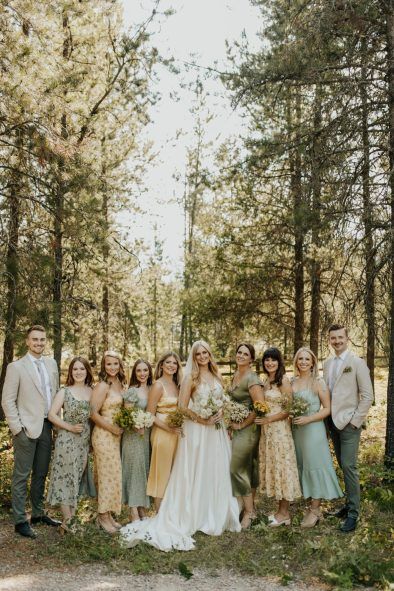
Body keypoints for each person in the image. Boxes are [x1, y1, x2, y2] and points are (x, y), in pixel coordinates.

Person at [120, 340, 241, 551]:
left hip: (216, 432)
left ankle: (214, 512)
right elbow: (183, 407)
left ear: (210, 355)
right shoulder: (189, 379)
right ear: (193, 357)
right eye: (198, 354)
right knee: (189, 470)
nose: (202, 356)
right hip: (197, 430)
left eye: (205, 353)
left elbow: (222, 400)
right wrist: (203, 419)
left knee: (214, 470)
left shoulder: (217, 375)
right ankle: (178, 513)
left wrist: (221, 412)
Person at [2, 325, 60, 538]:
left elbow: (54, 394)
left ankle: (37, 513)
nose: (39, 343)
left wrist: (57, 423)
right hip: (26, 428)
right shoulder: (16, 367)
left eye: (42, 340)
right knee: (21, 476)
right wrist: (18, 429)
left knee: (41, 473)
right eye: (35, 339)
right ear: (27, 342)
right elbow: (7, 400)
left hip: (47, 425)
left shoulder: (51, 364)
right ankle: (19, 521)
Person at [323, 324, 373, 532]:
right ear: (329, 340)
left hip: (349, 424)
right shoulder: (327, 364)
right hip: (332, 422)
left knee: (349, 467)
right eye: (333, 338)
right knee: (343, 466)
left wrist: (355, 421)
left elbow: (368, 396)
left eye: (340, 337)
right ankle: (347, 505)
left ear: (347, 338)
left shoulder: (357, 363)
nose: (337, 341)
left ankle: (354, 514)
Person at [291, 347, 343, 527]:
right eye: (300, 359)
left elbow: (328, 409)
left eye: (307, 359)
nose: (303, 362)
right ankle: (310, 505)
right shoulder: (292, 382)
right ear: (296, 362)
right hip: (297, 430)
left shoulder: (318, 382)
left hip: (313, 430)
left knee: (315, 465)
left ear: (313, 362)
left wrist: (308, 419)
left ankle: (315, 509)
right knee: (303, 464)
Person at [47, 356, 94, 532]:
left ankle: (71, 519)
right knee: (65, 478)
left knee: (76, 477)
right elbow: (52, 415)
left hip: (84, 441)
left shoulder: (91, 392)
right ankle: (68, 520)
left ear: (87, 371)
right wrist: (69, 427)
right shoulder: (64, 391)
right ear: (71, 372)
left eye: (82, 368)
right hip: (67, 440)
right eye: (75, 369)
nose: (79, 372)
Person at [255, 347, 301, 527]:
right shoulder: (266, 381)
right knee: (275, 467)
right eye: (267, 359)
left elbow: (288, 410)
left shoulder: (284, 381)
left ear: (279, 362)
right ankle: (279, 511)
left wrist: (269, 419)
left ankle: (284, 514)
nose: (270, 363)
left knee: (283, 468)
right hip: (267, 433)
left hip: (280, 431)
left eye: (273, 360)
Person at [228, 342, 264, 529]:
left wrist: (241, 423)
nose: (241, 355)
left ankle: (249, 512)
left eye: (245, 353)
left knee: (236, 468)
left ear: (251, 359)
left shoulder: (252, 379)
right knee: (246, 468)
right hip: (236, 428)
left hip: (248, 430)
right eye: (239, 352)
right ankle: (248, 507)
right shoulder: (235, 375)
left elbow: (259, 407)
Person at [91, 350, 125, 534]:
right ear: (104, 366)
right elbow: (93, 413)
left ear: (120, 365)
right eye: (108, 364)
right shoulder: (102, 386)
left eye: (115, 364)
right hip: (103, 435)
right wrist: (111, 428)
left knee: (114, 474)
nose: (112, 367)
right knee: (105, 475)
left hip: (116, 437)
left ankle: (109, 513)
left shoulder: (119, 384)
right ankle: (102, 516)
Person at [146, 351, 183, 511]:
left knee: (174, 471)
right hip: (162, 433)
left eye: (174, 363)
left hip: (177, 434)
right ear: (161, 365)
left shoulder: (178, 384)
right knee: (161, 471)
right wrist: (169, 428)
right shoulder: (158, 385)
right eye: (168, 362)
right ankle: (160, 513)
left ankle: (172, 510)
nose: (171, 366)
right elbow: (149, 415)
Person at [121, 358, 153, 522]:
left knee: (143, 471)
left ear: (149, 372)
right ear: (134, 373)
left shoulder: (153, 389)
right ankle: (133, 510)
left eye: (145, 370)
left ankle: (141, 508)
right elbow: (127, 414)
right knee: (133, 471)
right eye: (139, 370)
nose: (142, 374)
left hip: (147, 436)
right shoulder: (132, 391)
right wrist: (137, 426)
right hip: (133, 436)